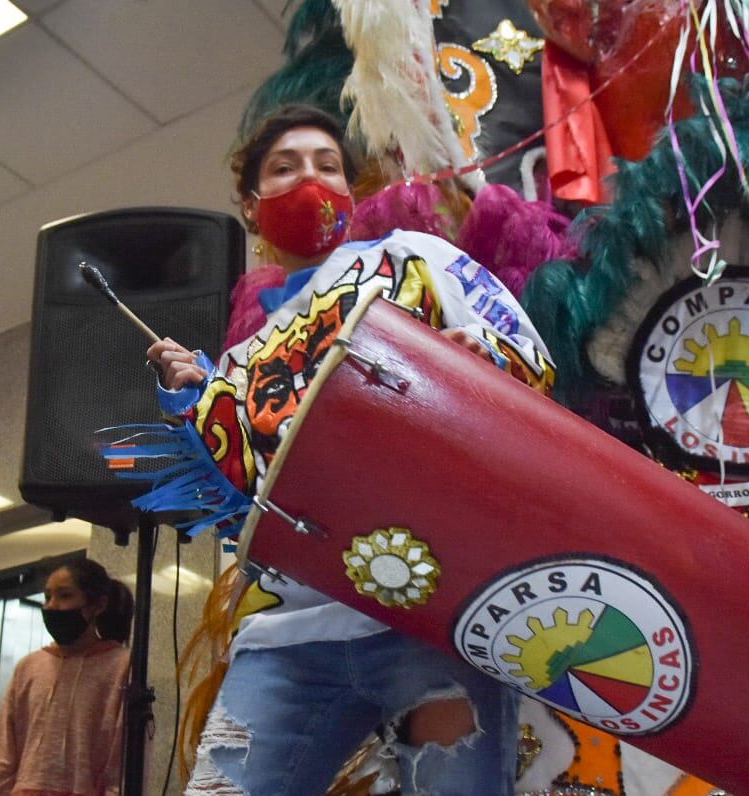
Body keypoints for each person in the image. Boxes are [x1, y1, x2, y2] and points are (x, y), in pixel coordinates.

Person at [146, 104, 555, 795]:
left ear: (351, 190)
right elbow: (236, 516)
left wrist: (470, 370)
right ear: (251, 206)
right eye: (284, 168)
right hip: (286, 637)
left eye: (326, 165)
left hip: (432, 608)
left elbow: (532, 371)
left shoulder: (417, 262)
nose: (309, 178)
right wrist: (195, 407)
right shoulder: (242, 361)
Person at [0, 559, 133, 796]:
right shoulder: (29, 667)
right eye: (48, 596)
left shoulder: (121, 666)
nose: (52, 606)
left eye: (65, 596)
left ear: (98, 605)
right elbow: (1, 754)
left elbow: (122, 762)